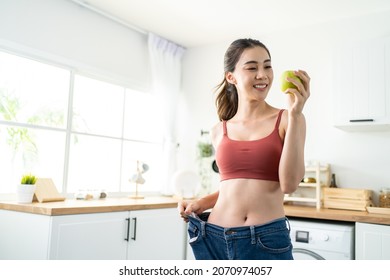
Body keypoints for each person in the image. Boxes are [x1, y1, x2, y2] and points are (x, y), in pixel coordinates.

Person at [178, 38, 310, 260]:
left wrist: (296, 114)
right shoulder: (219, 130)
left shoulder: (289, 119)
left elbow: (288, 184)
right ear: (231, 77)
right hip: (213, 237)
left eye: (267, 66)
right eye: (252, 68)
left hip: (265, 239)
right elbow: (235, 188)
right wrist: (201, 203)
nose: (263, 74)